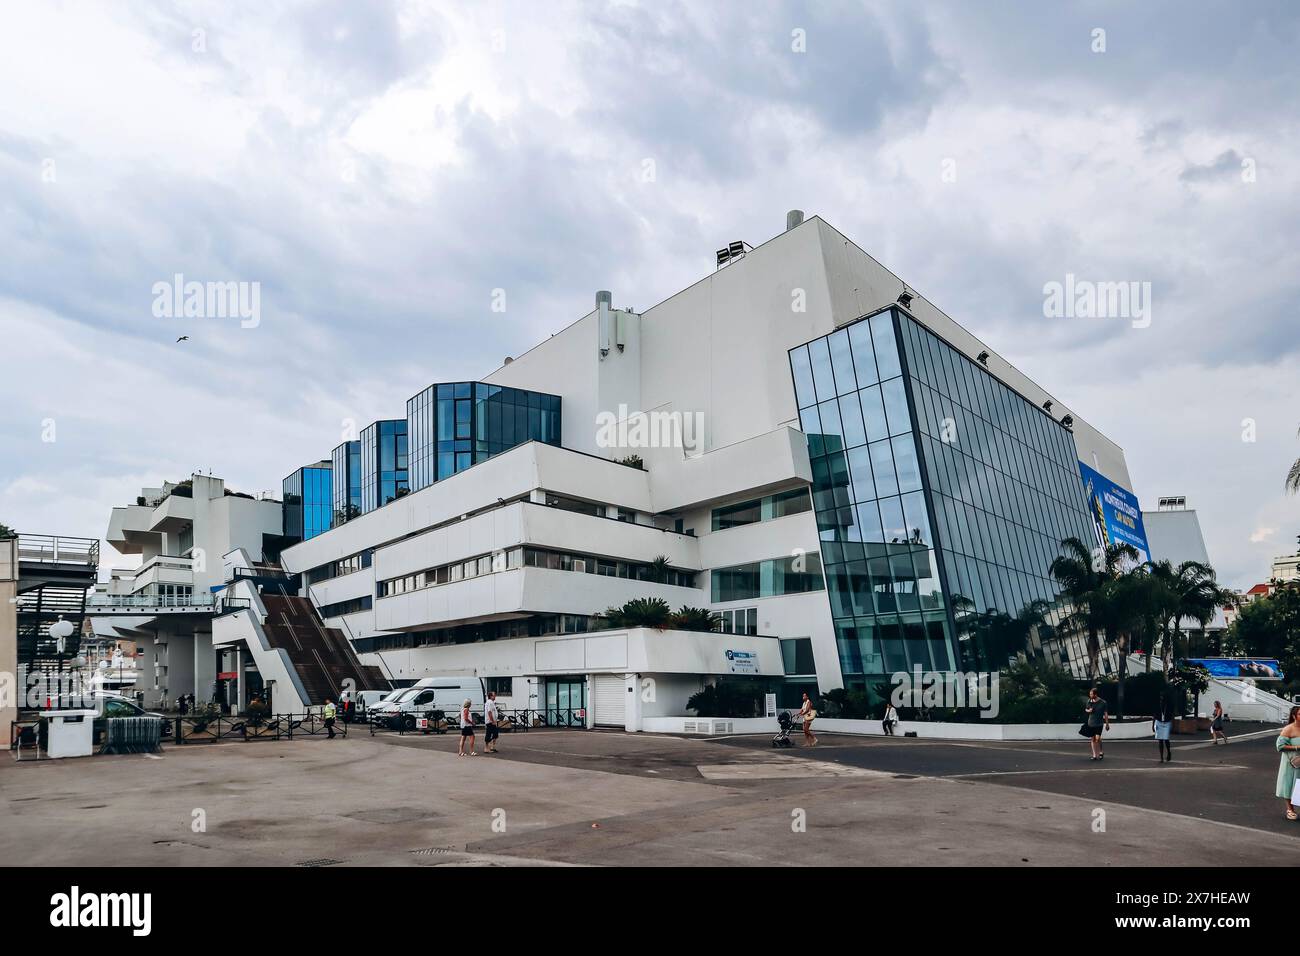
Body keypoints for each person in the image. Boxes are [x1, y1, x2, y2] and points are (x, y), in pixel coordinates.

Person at [1276, 705, 1300, 821]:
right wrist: (1297, 747)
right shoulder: (1288, 729)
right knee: (1289, 784)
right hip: (1291, 763)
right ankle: (1290, 809)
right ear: (1294, 716)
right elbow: (1279, 746)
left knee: (1299, 786)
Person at [1084, 687, 1109, 761]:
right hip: (1091, 722)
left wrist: (1107, 723)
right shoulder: (1089, 701)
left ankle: (1101, 751)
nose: (1090, 695)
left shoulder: (1103, 702)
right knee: (1093, 738)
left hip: (1099, 723)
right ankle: (1094, 755)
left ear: (1095, 694)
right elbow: (1086, 709)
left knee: (1097, 739)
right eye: (1090, 694)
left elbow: (1106, 713)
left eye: (1091, 694)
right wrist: (1089, 711)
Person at [1153, 694, 1174, 763]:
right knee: (1160, 740)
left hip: (1167, 722)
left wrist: (1171, 725)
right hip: (1159, 722)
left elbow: (1171, 716)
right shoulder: (1157, 705)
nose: (1161, 700)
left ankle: (1168, 752)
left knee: (1166, 739)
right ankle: (1161, 757)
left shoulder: (1169, 706)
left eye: (1163, 698)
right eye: (1160, 698)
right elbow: (1154, 716)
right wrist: (1153, 725)